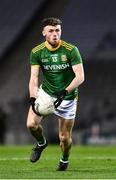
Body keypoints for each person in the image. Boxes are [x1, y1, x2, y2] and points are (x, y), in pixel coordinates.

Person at [27, 17, 85, 171]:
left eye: (57, 30)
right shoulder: (37, 52)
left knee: (64, 138)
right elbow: (34, 77)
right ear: (44, 33)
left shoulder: (71, 50)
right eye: (51, 31)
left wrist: (65, 91)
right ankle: (41, 143)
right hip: (46, 93)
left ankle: (64, 159)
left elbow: (80, 76)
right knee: (31, 125)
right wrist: (33, 97)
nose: (55, 34)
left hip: (67, 97)